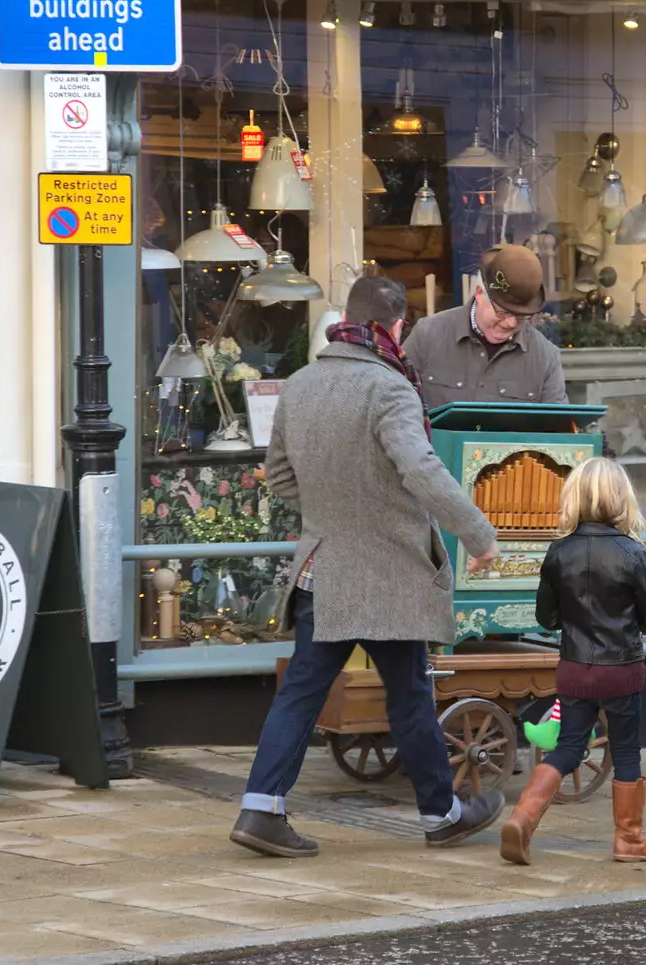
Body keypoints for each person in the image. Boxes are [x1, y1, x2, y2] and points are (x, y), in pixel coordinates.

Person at [230, 273, 505, 858]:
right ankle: (440, 812)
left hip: (322, 568)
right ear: (395, 327)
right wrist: (479, 533)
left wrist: (332, 509)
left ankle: (261, 810)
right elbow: (421, 470)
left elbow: (280, 480)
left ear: (345, 318)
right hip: (388, 573)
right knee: (407, 695)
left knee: (300, 694)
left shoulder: (299, 385)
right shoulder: (390, 388)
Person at [500, 456, 646, 866]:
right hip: (621, 671)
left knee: (569, 746)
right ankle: (629, 840)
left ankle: (523, 817)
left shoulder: (558, 553)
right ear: (621, 499)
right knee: (626, 751)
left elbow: (545, 617)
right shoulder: (633, 553)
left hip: (575, 668)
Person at [404, 243, 568, 408]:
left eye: (521, 316)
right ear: (479, 293)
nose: (511, 323)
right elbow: (394, 408)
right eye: (502, 312)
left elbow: (560, 430)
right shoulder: (427, 336)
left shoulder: (545, 357)